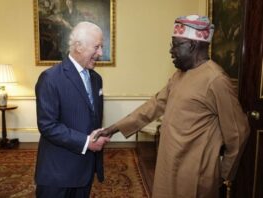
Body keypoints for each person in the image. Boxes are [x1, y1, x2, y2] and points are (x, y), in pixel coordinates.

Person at [94, 15, 250, 198]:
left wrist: (223, 175)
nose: (171, 50)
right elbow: (154, 105)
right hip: (168, 166)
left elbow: (239, 132)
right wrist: (114, 128)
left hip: (194, 175)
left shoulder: (216, 80)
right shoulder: (179, 75)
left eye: (175, 44)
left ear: (192, 45)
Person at [35, 21, 110, 198]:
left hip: (85, 171)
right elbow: (47, 126)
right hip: (58, 174)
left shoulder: (96, 79)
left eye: (101, 47)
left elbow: (91, 116)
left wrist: (100, 133)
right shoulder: (50, 78)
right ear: (78, 47)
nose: (100, 53)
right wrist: (86, 142)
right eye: (97, 47)